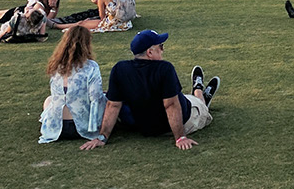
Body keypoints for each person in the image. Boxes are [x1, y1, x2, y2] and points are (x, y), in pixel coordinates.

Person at [80, 30, 219, 151]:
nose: (163, 50)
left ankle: (199, 92)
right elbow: (171, 105)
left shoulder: (120, 69)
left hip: (144, 125)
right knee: (199, 106)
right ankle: (200, 92)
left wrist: (102, 137)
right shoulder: (165, 69)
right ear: (150, 52)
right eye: (161, 46)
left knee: (179, 97)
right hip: (178, 121)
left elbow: (113, 105)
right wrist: (180, 137)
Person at [38, 26, 106, 143]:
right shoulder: (91, 67)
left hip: (56, 127)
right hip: (80, 126)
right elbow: (95, 99)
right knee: (107, 100)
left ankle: (49, 121)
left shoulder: (56, 66)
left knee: (49, 100)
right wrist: (94, 129)